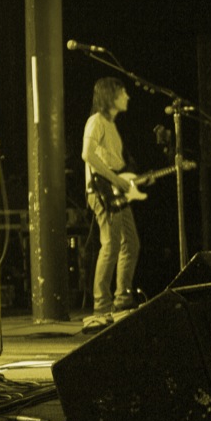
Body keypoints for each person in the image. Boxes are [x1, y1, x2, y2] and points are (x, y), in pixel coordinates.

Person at [81, 77, 140, 333]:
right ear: (110, 96)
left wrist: (127, 178)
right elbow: (87, 154)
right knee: (111, 244)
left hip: (115, 191)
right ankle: (101, 307)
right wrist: (116, 179)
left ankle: (122, 299)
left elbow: (114, 161)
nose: (127, 96)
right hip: (102, 191)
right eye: (122, 92)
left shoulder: (111, 126)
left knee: (131, 243)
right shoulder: (96, 121)